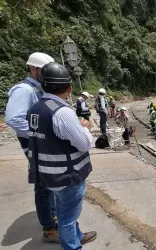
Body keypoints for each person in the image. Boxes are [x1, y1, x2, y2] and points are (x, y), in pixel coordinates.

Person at [27, 62, 97, 249]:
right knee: (67, 217)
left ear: (43, 84)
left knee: (64, 211)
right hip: (67, 176)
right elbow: (84, 143)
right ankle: (73, 246)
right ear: (69, 88)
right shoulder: (62, 112)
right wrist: (85, 128)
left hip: (47, 175)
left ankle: (78, 235)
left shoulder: (35, 108)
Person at [5, 52, 59, 242]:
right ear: (34, 69)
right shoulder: (24, 90)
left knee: (48, 182)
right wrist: (38, 135)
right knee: (44, 185)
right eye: (44, 70)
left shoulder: (39, 89)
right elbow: (13, 118)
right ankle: (50, 229)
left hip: (39, 142)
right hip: (33, 143)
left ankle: (51, 218)